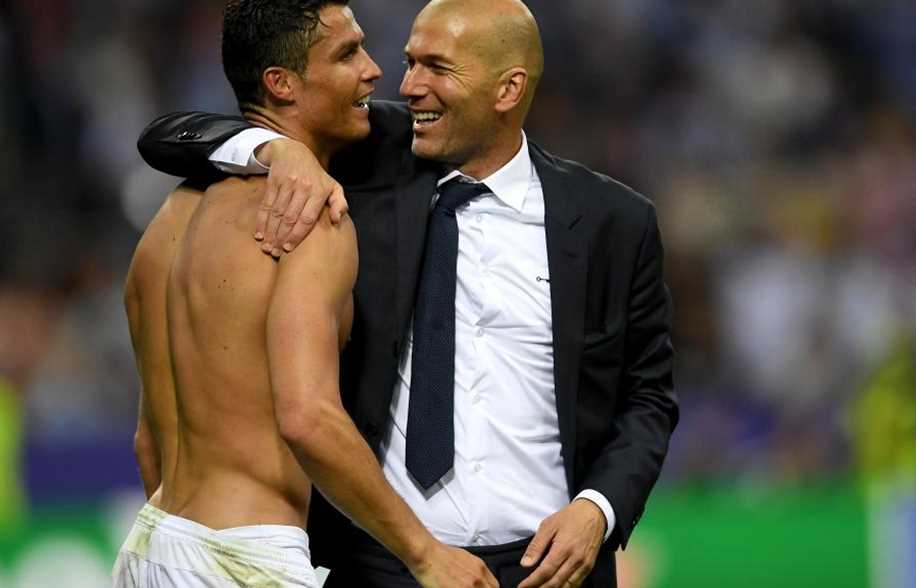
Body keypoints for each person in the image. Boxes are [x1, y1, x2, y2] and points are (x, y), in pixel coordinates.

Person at [137, 0, 678, 586]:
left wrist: (598, 508)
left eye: (436, 68)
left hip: (549, 567)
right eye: (410, 62)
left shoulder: (611, 222)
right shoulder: (362, 159)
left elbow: (648, 397)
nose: (407, 85)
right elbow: (173, 135)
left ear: (508, 89)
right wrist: (273, 149)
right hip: (388, 563)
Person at [116, 1, 497, 587]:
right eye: (347, 54)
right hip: (247, 555)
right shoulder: (309, 218)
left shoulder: (168, 220)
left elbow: (149, 441)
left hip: (154, 541)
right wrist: (425, 553)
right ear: (282, 84)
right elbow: (308, 418)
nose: (373, 70)